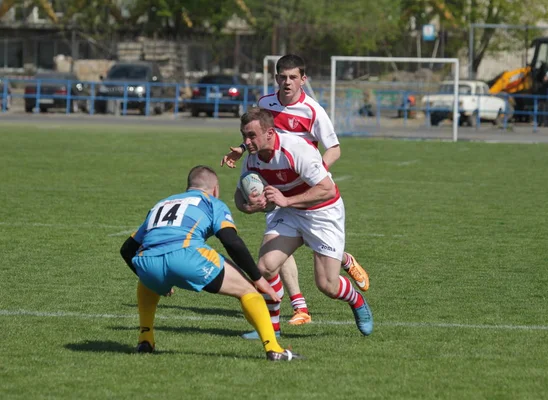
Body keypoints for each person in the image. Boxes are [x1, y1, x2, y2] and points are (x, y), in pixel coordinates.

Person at [221, 54, 369, 329]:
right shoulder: (265, 105)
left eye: (293, 77)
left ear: (303, 79)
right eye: (282, 77)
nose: (287, 82)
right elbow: (256, 133)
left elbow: (334, 148)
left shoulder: (312, 111)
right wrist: (242, 151)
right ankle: (283, 319)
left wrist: (314, 171)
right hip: (279, 192)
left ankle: (353, 292)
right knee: (266, 264)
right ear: (276, 78)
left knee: (327, 284)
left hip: (314, 196)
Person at [119, 165, 302, 361]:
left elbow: (127, 249)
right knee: (249, 292)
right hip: (186, 255)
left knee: (146, 277)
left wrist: (155, 280)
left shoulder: (162, 203)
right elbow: (231, 241)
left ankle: (145, 339)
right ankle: (274, 349)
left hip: (148, 261)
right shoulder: (211, 202)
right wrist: (258, 279)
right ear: (215, 189)